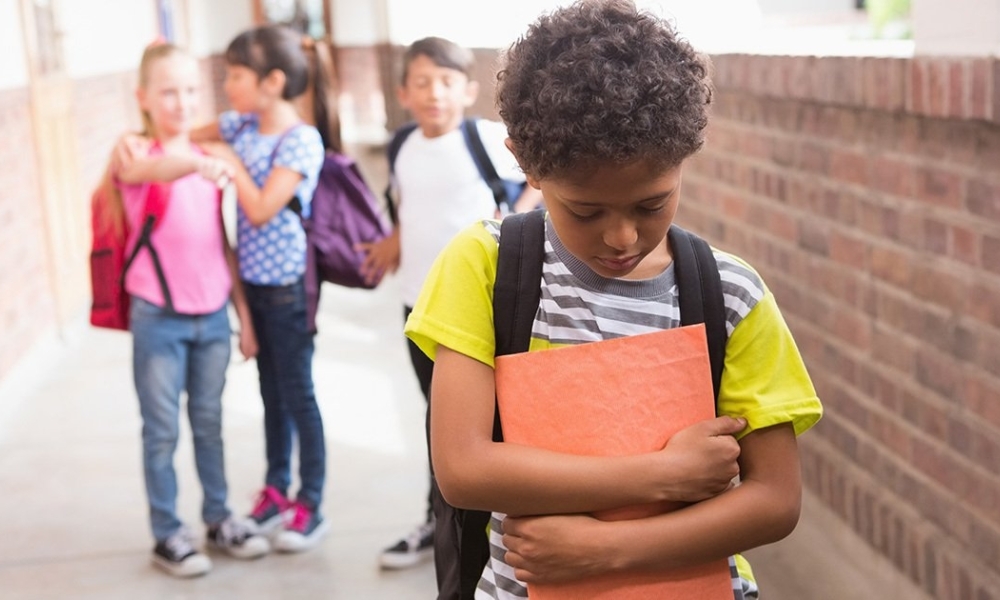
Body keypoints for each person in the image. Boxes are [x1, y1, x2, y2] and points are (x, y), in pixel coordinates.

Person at [403, 1, 824, 599]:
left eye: (652, 204)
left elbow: (776, 500)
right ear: (526, 162)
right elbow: (464, 468)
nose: (622, 237)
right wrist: (662, 474)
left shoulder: (730, 295)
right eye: (586, 210)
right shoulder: (487, 266)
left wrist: (606, 551)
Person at [356, 37, 544, 575]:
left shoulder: (484, 139)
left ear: (466, 89)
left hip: (479, 313)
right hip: (419, 308)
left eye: (445, 81)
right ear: (403, 92)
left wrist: (514, 218)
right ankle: (443, 525)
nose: (434, 92)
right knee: (440, 423)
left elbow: (535, 184)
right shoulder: (401, 146)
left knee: (487, 427)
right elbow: (406, 206)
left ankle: (492, 526)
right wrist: (393, 243)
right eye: (421, 82)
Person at [110, 42, 269, 578]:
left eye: (191, 90)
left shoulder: (211, 160)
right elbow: (160, 169)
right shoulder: (135, 153)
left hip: (211, 318)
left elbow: (220, 244)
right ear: (144, 98)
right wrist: (202, 161)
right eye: (168, 91)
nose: (181, 101)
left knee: (209, 423)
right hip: (158, 316)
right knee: (161, 431)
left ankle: (219, 518)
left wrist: (242, 318)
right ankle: (167, 533)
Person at [185, 24, 338, 554]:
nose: (227, 85)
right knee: (270, 394)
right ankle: (276, 491)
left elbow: (260, 207)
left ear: (272, 81)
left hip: (289, 289)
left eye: (236, 75)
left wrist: (228, 162)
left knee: (299, 396)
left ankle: (310, 504)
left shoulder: (301, 139)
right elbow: (187, 137)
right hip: (251, 284)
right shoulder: (239, 123)